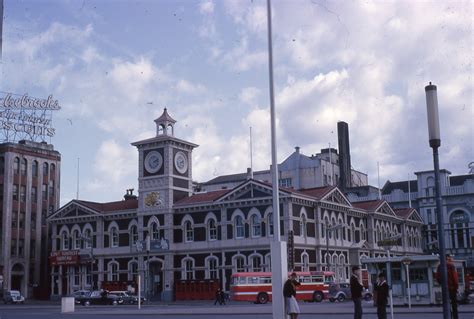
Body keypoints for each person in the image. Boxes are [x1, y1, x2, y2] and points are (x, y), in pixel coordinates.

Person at [436, 254, 459, 319]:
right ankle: (455, 317)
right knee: (454, 305)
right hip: (452, 288)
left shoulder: (439, 266)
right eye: (449, 258)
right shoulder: (451, 266)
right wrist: (456, 287)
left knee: (446, 304)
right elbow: (455, 278)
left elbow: (437, 278)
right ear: (448, 259)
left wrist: (442, 283)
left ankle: (449, 316)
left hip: (444, 289)